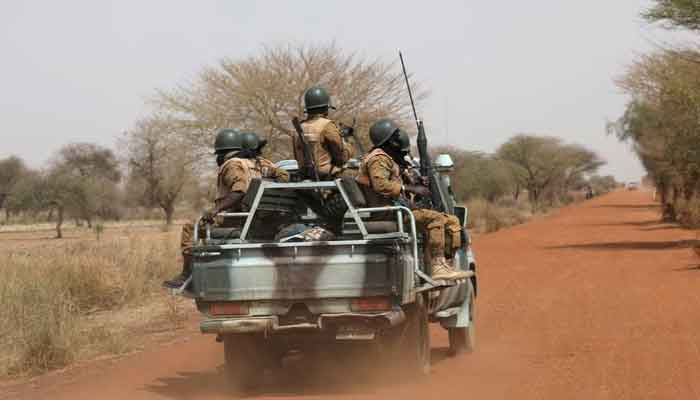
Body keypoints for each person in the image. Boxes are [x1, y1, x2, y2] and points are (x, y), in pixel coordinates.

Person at [163, 129, 289, 289]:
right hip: (257, 218)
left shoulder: (232, 164)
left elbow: (239, 191)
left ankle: (187, 274)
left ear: (223, 153)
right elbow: (285, 176)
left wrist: (215, 210)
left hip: (238, 218)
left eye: (218, 155)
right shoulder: (262, 163)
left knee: (190, 227)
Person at [356, 118, 468, 281]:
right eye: (394, 137)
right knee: (435, 219)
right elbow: (380, 185)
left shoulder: (388, 158)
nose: (398, 139)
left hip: (398, 210)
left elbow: (393, 181)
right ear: (388, 141)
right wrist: (410, 188)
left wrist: (414, 182)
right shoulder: (378, 158)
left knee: (451, 221)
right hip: (390, 213)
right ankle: (438, 267)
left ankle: (445, 264)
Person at [293, 86, 354, 180]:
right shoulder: (327, 126)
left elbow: (297, 157)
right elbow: (341, 158)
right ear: (325, 108)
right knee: (356, 175)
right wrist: (348, 143)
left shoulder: (297, 129)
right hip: (326, 174)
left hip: (303, 175)